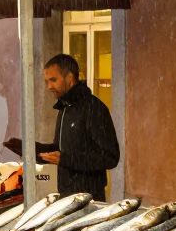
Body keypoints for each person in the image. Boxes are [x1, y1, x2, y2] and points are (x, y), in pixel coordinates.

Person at [38, 53, 120, 201]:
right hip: (67, 197)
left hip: (90, 200)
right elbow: (62, 150)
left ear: (69, 77)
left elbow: (110, 157)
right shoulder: (64, 108)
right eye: (47, 81)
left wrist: (66, 159)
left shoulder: (94, 108)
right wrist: (34, 151)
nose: (49, 86)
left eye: (53, 80)